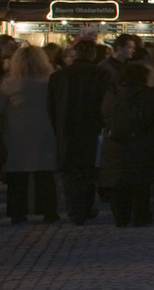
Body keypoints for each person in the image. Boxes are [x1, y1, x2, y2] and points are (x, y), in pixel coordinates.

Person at [99, 61, 154, 226]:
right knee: (140, 185)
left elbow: (104, 115)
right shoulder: (149, 95)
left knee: (118, 184)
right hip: (141, 145)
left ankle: (121, 218)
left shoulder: (111, 94)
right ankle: (140, 217)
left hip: (115, 146)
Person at [48, 38, 105, 224]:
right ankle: (86, 208)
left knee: (70, 174)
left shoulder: (59, 76)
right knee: (89, 172)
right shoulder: (100, 74)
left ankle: (75, 211)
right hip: (91, 128)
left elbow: (51, 106)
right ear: (92, 54)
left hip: (67, 129)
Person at [2, 44, 59, 224]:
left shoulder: (9, 83)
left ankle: (18, 212)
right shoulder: (51, 81)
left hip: (16, 133)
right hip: (46, 132)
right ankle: (49, 211)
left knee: (17, 176)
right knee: (45, 174)